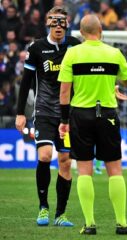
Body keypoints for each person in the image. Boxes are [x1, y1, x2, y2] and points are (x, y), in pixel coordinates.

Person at [57, 14, 127, 235]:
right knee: (115, 170)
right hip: (108, 115)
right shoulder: (114, 53)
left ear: (81, 33)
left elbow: (64, 91)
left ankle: (89, 224)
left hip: (80, 115)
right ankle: (121, 224)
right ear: (101, 30)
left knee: (84, 170)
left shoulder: (72, 53)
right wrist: (111, 82)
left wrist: (64, 121)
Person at [15, 6, 80, 227]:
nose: (58, 26)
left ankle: (61, 214)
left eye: (62, 21)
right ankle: (43, 207)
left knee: (65, 161)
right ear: (47, 23)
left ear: (67, 23)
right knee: (44, 156)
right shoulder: (37, 48)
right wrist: (20, 113)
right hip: (43, 111)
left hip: (69, 115)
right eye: (54, 21)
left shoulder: (75, 46)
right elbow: (25, 82)